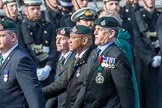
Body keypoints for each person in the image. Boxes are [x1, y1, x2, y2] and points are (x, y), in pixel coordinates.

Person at [74, 16, 135, 108]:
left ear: (111, 33)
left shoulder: (117, 56)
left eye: (100, 30)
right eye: (95, 29)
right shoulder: (94, 52)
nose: (95, 33)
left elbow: (125, 92)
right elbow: (86, 85)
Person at [43, 25, 95, 108]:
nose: (69, 41)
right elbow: (61, 83)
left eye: (73, 37)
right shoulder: (76, 58)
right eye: (70, 37)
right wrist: (37, 92)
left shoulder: (92, 59)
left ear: (84, 40)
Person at [0, 19, 45, 108]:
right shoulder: (3, 56)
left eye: (2, 36)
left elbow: (33, 95)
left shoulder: (21, 59)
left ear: (13, 37)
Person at [19, 0, 57, 87]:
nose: (36, 11)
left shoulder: (49, 26)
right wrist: (33, 68)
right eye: (32, 9)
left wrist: (48, 67)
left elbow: (54, 48)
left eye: (38, 8)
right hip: (30, 72)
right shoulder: (21, 27)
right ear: (26, 11)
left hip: (48, 72)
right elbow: (22, 50)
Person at [132, 0, 161, 107]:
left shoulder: (160, 16)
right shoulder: (136, 17)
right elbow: (137, 40)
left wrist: (159, 55)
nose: (151, 1)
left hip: (159, 61)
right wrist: (149, 58)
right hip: (142, 62)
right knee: (142, 95)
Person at [46, 27, 74, 108]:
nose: (57, 42)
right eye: (57, 38)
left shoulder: (75, 58)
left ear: (70, 41)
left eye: (62, 39)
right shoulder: (61, 58)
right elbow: (56, 85)